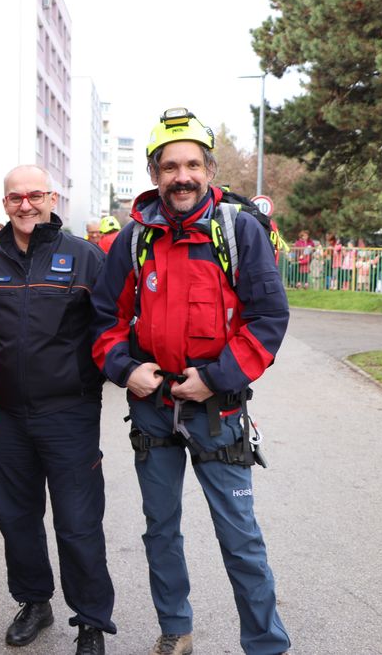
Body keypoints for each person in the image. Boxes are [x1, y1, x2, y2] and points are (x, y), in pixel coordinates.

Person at [91, 107, 291, 655]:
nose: (182, 176)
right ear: (155, 173)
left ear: (208, 169)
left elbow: (268, 319)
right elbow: (104, 320)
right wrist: (126, 369)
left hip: (217, 409)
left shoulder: (238, 230)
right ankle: (175, 631)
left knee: (241, 539)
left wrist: (217, 377)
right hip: (154, 407)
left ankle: (267, 645)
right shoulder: (134, 239)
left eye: (192, 165)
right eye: (170, 166)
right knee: (160, 530)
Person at [0, 165, 114, 655]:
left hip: (68, 414)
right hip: (7, 416)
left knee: (77, 521)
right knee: (16, 516)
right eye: (15, 197)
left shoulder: (85, 257)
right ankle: (34, 600)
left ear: (52, 197)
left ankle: (91, 620)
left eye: (34, 195)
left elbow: (110, 329)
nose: (25, 204)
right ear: (4, 202)